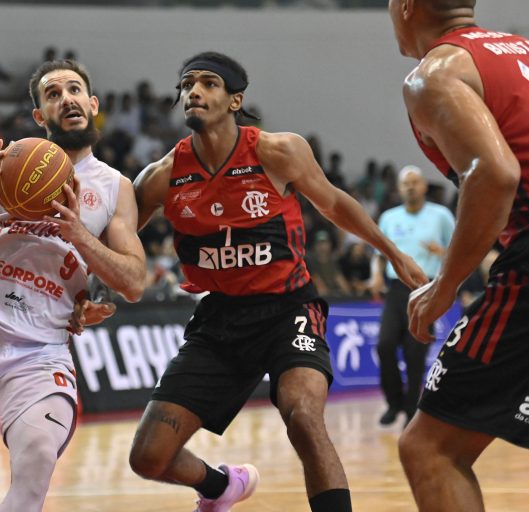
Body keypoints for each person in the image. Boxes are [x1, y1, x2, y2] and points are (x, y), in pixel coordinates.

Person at [130, 51, 427, 512]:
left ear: (235, 100)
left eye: (208, 83)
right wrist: (88, 288)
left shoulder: (277, 151)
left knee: (303, 416)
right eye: (187, 85)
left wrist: (393, 252)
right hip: (220, 319)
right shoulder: (162, 176)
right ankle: (220, 486)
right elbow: (120, 238)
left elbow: (334, 203)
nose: (194, 92)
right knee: (148, 457)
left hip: (289, 308)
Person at [0, 58, 146, 512]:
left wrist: (79, 235)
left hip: (41, 349)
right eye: (53, 94)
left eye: (74, 90)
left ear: (93, 105)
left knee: (35, 460)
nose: (66, 99)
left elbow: (133, 282)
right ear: (39, 115)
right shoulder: (8, 165)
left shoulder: (116, 187)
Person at [388, 2, 529, 511]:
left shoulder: (434, 74)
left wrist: (446, 285)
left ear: (405, 6)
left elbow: (495, 173)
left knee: (431, 449)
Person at [370, 165, 454, 426]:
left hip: (427, 289)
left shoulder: (441, 216)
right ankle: (393, 402)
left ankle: (410, 411)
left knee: (415, 353)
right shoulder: (389, 217)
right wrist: (376, 275)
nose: (410, 187)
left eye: (415, 182)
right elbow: (378, 254)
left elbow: (460, 249)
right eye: (406, 183)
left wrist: (442, 252)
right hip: (396, 289)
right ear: (398, 188)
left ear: (424, 186)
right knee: (384, 345)